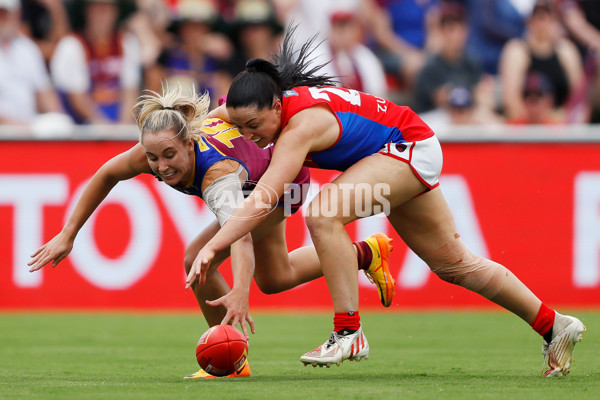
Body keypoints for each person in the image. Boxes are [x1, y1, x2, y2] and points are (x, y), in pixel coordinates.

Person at [192, 27, 586, 377]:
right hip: (404, 150)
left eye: (255, 126)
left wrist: (212, 245)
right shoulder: (257, 105)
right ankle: (554, 325)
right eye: (242, 126)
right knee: (455, 265)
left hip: (407, 149)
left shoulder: (300, 126)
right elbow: (219, 119)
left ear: (277, 106)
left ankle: (349, 331)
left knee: (323, 213)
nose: (249, 135)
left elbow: (263, 199)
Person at [27, 85, 395, 379]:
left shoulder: (216, 176)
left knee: (197, 258)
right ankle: (366, 253)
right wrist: (68, 233)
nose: (161, 166)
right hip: (254, 179)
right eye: (153, 158)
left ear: (189, 144)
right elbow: (106, 174)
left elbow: (241, 235)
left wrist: (238, 291)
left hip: (283, 183)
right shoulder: (152, 151)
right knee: (275, 277)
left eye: (169, 155)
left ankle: (231, 360)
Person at [498, 0, 583, 122]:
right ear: (529, 21)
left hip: (560, 124)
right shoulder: (517, 51)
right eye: (537, 17)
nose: (542, 23)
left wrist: (561, 122)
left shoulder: (566, 51)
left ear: (554, 20)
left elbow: (578, 96)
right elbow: (511, 100)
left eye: (546, 17)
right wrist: (537, 124)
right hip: (526, 124)